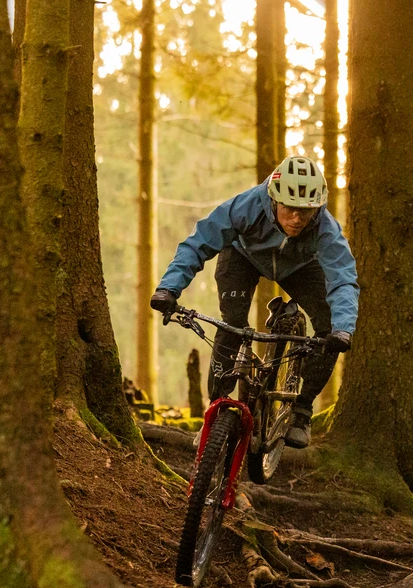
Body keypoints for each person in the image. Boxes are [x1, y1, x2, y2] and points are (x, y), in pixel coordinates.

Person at [149, 156, 357, 448]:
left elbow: (343, 278)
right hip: (243, 257)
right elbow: (198, 243)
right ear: (273, 199)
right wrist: (169, 289)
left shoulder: (325, 227)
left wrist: (343, 328)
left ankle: (301, 412)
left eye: (306, 211)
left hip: (299, 265)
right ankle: (216, 408)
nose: (297, 219)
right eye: (290, 208)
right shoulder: (246, 206)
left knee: (329, 328)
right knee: (233, 324)